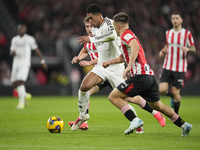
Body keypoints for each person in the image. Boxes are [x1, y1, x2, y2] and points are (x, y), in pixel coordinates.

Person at [71, 4, 165, 132]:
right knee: (84, 86)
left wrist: (91, 40)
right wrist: (80, 56)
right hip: (101, 67)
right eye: (88, 20)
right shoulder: (93, 30)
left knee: (127, 98)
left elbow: (111, 36)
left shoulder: (110, 23)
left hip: (116, 68)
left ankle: (143, 119)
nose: (90, 22)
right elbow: (87, 48)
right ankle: (83, 116)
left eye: (91, 19)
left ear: (99, 15)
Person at [102, 12, 192, 137]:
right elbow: (125, 56)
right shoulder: (129, 35)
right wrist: (109, 62)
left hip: (141, 76)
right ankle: (184, 124)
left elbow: (134, 46)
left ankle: (134, 120)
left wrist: (128, 67)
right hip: (149, 76)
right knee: (157, 105)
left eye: (113, 26)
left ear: (117, 26)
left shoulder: (125, 35)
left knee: (113, 96)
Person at [69, 17, 142, 132]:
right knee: (85, 90)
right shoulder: (88, 40)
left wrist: (88, 62)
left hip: (113, 70)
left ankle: (152, 111)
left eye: (91, 26)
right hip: (100, 74)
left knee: (128, 98)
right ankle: (84, 120)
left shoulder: (102, 37)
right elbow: (85, 50)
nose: (89, 29)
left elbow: (103, 57)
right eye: (87, 26)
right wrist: (78, 57)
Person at [159, 11, 196, 114]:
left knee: (176, 92)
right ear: (171, 20)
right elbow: (167, 45)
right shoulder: (168, 33)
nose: (175, 20)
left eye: (177, 18)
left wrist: (188, 49)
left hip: (180, 67)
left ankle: (176, 115)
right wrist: (163, 50)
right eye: (173, 18)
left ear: (181, 20)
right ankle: (173, 97)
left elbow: (194, 49)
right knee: (162, 90)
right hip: (167, 66)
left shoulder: (187, 34)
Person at [10, 24, 47, 109]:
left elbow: (36, 49)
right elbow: (11, 51)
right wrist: (13, 53)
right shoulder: (14, 40)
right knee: (14, 84)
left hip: (24, 63)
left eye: (23, 28)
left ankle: (21, 103)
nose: (21, 30)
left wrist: (42, 61)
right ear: (18, 29)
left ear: (25, 29)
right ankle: (25, 94)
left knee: (20, 82)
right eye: (20, 28)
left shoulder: (29, 39)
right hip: (16, 63)